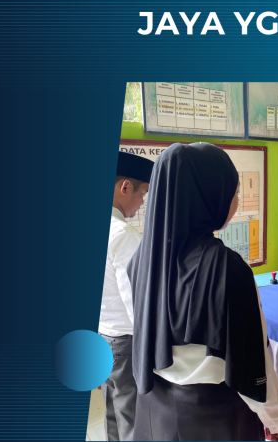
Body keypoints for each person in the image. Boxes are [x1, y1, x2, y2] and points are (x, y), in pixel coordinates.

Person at [128, 143, 278, 441]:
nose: (236, 201)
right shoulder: (228, 268)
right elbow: (252, 358)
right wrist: (276, 420)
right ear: (209, 196)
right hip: (216, 416)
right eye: (234, 192)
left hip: (155, 408)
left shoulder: (141, 260)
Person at [99, 151, 154, 441]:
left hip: (102, 337)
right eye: (142, 193)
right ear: (125, 187)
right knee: (133, 421)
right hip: (126, 344)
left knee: (112, 415)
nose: (142, 202)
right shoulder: (124, 235)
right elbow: (138, 305)